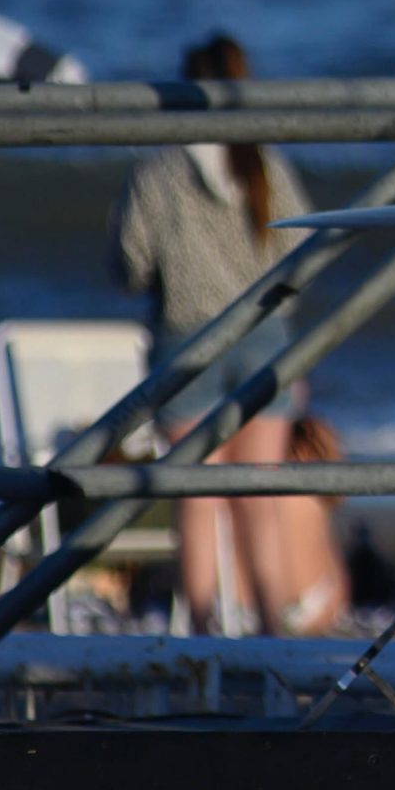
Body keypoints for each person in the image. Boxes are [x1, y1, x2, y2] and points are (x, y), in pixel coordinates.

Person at [110, 33, 349, 635]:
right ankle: (271, 629)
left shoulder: (161, 169)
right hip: (265, 337)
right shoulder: (261, 160)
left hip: (187, 341)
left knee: (198, 497)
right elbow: (301, 244)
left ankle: (202, 631)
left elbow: (130, 264)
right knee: (256, 497)